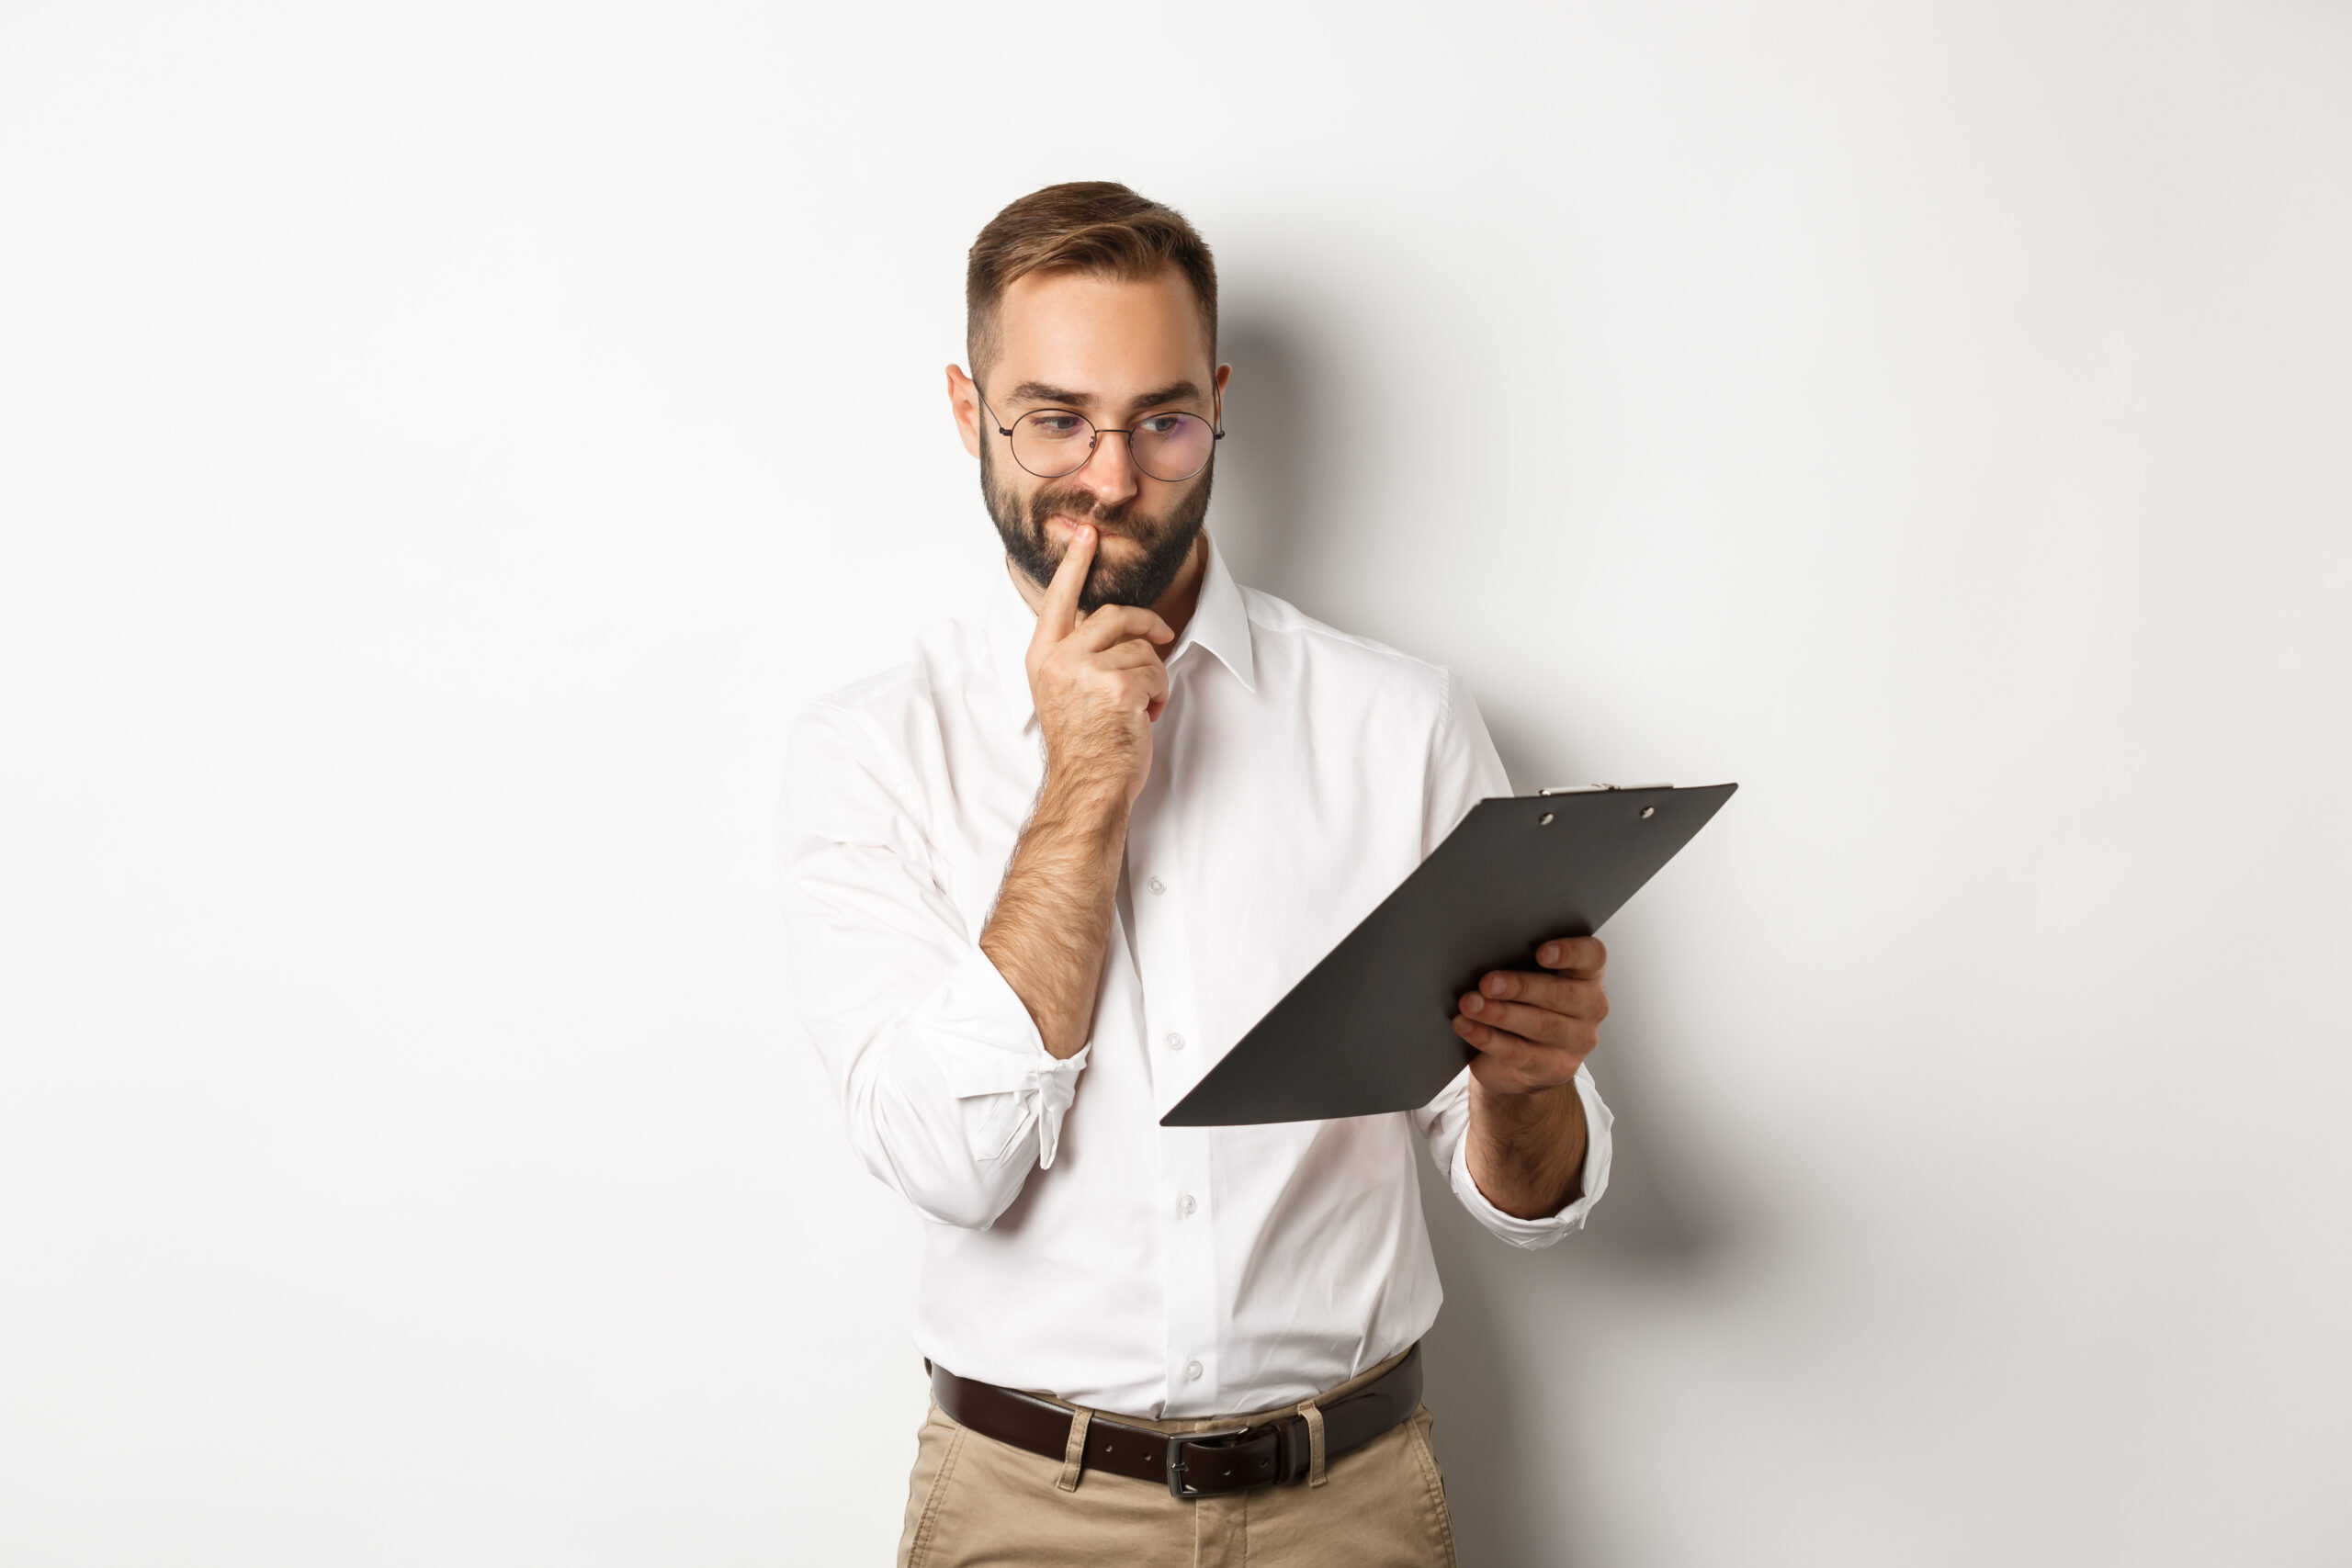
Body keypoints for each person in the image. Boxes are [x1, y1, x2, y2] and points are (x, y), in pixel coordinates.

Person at [779, 182, 1616, 1568]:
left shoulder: (1396, 724)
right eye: (1053, 418)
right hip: (1020, 1512)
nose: (1110, 478)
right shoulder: (872, 750)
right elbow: (949, 1164)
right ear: (965, 406)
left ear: (1217, 404)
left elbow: (1522, 1200)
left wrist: (1526, 1093)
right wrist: (1086, 781)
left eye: (1160, 421)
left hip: (1347, 1508)